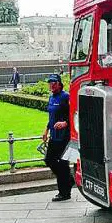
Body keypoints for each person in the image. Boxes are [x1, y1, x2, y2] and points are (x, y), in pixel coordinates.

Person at [42, 74, 72, 202]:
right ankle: (68, 180)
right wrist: (46, 129)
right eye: (50, 83)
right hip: (54, 135)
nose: (51, 85)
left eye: (54, 82)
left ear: (59, 83)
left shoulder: (65, 97)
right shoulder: (51, 97)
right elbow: (51, 117)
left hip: (64, 136)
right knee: (49, 160)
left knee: (62, 163)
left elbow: (74, 113)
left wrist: (65, 123)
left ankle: (64, 193)